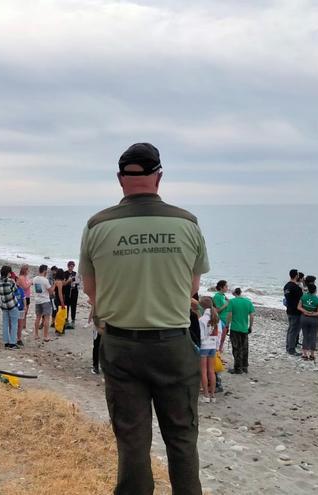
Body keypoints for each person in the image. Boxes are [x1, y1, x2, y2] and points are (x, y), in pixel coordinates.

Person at [80, 142, 209, 495]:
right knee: (182, 438)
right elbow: (192, 286)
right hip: (173, 343)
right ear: (159, 177)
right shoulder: (187, 222)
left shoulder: (98, 224)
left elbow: (91, 289)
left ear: (120, 178)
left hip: (121, 345)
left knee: (133, 441)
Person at [227, 288, 255, 374]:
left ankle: (237, 368)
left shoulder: (232, 301)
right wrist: (250, 326)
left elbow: (229, 315)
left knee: (236, 348)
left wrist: (227, 326)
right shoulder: (248, 302)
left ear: (234, 293)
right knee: (244, 348)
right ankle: (244, 367)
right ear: (241, 293)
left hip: (235, 328)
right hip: (244, 328)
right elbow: (252, 315)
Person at [198, 296, 219, 403]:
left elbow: (201, 337)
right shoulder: (216, 317)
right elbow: (217, 334)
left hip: (204, 346)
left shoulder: (202, 319)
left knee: (203, 371)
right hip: (213, 346)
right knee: (211, 371)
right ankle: (213, 395)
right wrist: (217, 346)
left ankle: (206, 395)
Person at [0, 266, 19, 349]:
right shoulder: (11, 281)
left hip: (4, 304)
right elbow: (16, 290)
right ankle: (12, 343)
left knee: (5, 323)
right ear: (8, 273)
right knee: (14, 323)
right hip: (12, 303)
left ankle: (6, 342)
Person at [297, 283, 318, 361]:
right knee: (313, 336)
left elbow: (298, 307)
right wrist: (312, 313)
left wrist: (305, 311)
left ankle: (305, 354)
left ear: (308, 289)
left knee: (305, 335)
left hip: (304, 317)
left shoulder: (303, 297)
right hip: (314, 319)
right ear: (315, 291)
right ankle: (312, 354)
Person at [283, 269, 303, 355]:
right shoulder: (296, 287)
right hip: (296, 311)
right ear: (296, 276)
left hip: (289, 310)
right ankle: (291, 349)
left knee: (290, 329)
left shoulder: (286, 286)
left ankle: (288, 346)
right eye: (298, 275)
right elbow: (301, 299)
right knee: (294, 330)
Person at [212, 280, 232, 352]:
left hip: (226, 320)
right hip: (220, 319)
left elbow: (229, 301)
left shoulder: (223, 295)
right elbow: (216, 310)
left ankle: (219, 354)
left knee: (223, 339)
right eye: (226, 286)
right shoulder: (217, 296)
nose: (227, 288)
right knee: (219, 339)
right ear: (221, 287)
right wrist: (225, 305)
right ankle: (218, 355)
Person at [16, 265, 31, 346]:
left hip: (27, 296)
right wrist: (30, 283)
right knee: (23, 313)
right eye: (27, 270)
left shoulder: (26, 277)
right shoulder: (21, 277)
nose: (28, 271)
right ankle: (22, 328)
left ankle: (24, 326)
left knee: (26, 312)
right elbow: (25, 287)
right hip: (23, 296)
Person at [63, 260, 80, 328]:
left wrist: (76, 282)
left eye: (73, 266)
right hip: (67, 291)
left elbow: (78, 282)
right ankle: (66, 320)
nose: (71, 267)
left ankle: (73, 320)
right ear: (68, 266)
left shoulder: (75, 273)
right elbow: (64, 284)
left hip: (74, 291)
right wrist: (69, 280)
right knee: (66, 306)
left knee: (73, 306)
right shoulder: (65, 273)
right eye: (70, 266)